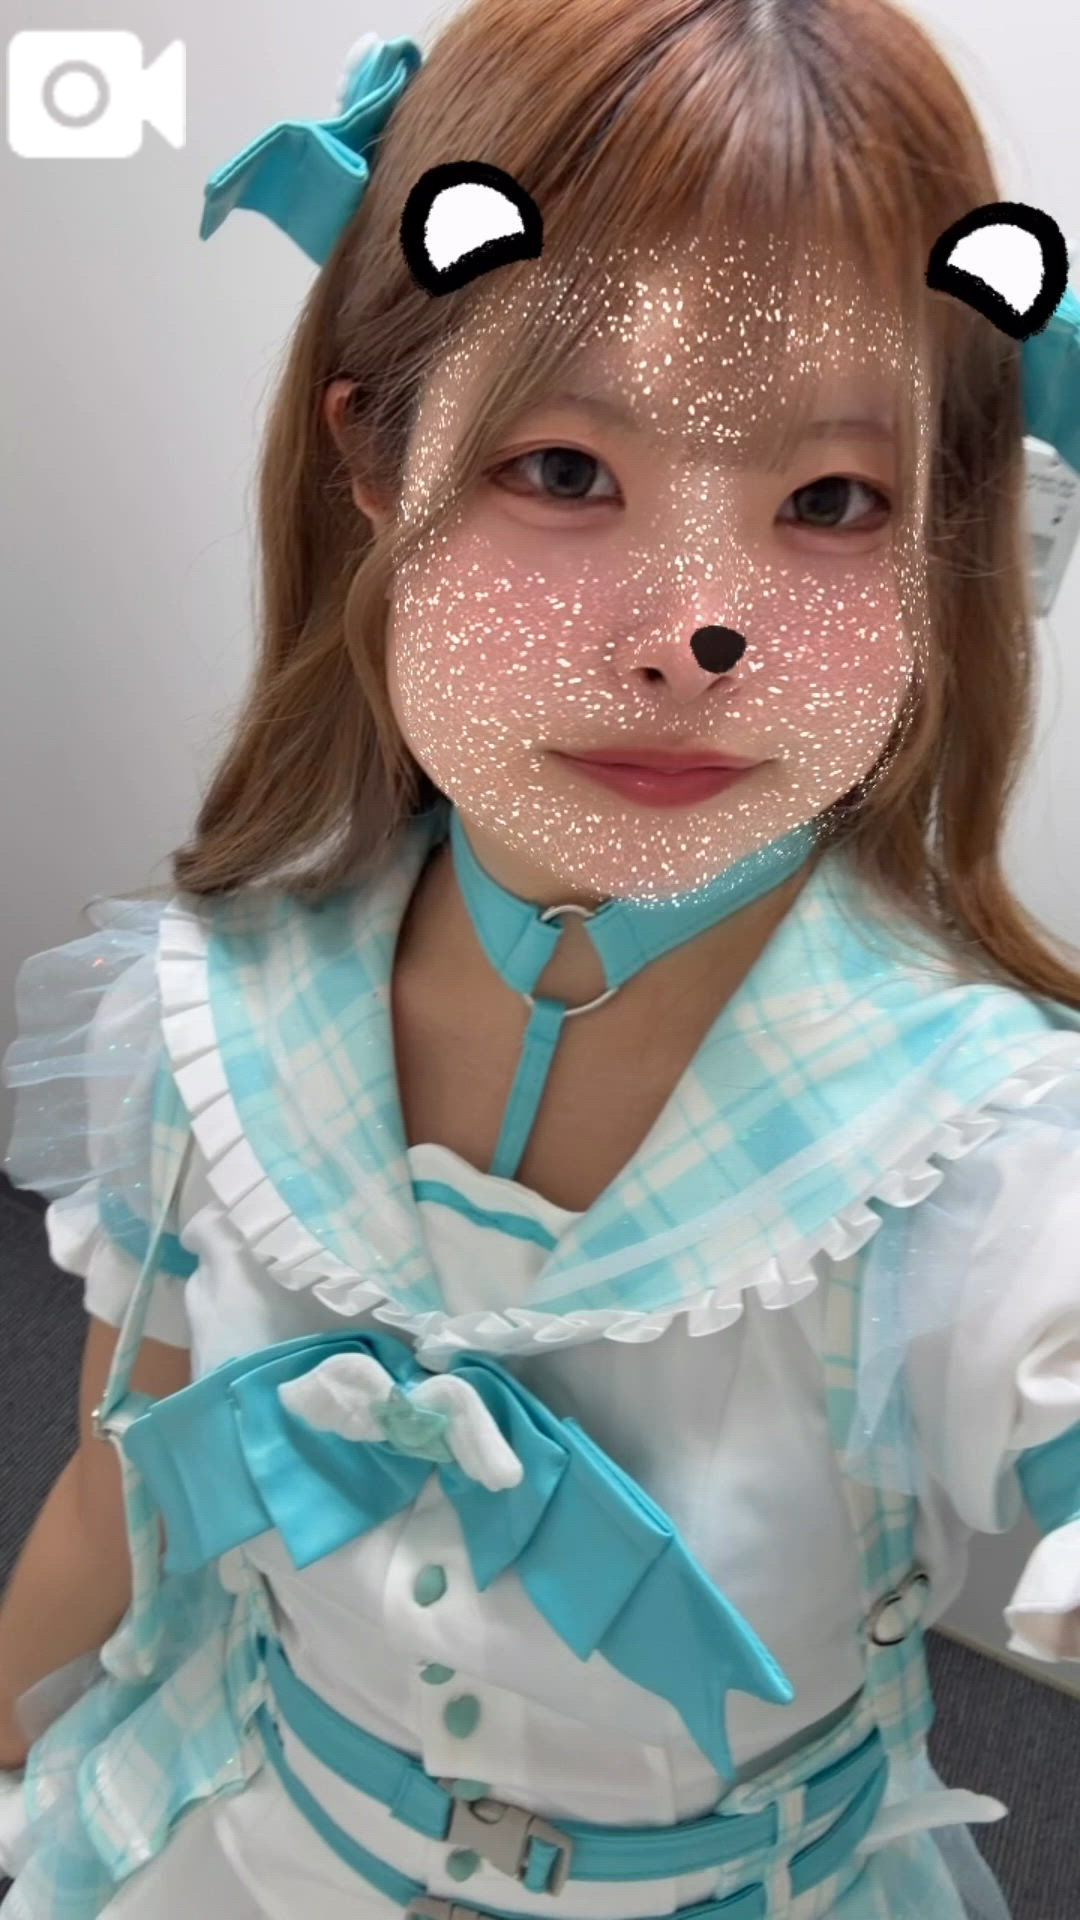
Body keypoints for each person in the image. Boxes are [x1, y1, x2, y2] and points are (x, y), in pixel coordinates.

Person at [1, 2, 1079, 1915]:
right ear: (374, 452)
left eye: (832, 501)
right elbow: (113, 1485)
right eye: (567, 468)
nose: (690, 636)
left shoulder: (982, 1148)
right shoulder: (202, 1018)